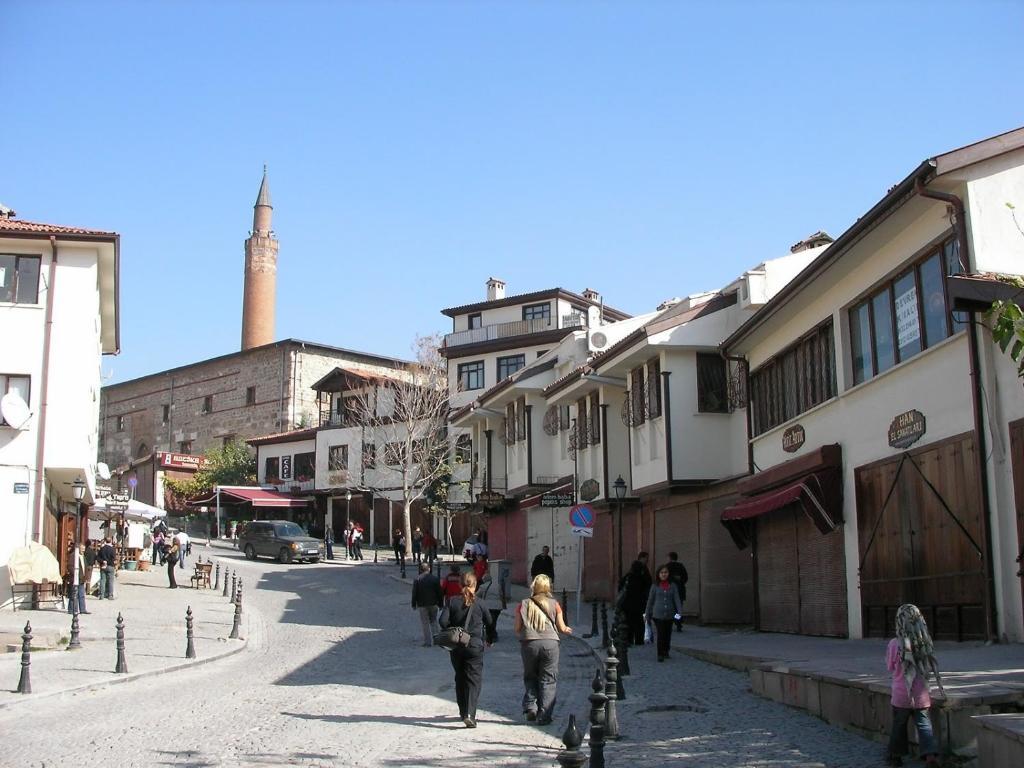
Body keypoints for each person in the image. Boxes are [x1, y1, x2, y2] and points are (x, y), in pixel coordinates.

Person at [886, 604, 944, 767]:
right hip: (921, 694)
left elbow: (890, 666)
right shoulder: (925, 643)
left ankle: (895, 756)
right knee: (924, 724)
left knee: (899, 724)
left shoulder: (894, 644)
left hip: (901, 694)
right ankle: (930, 755)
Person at [514, 574, 573, 725]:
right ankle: (544, 715)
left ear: (533, 586)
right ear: (548, 587)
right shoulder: (555, 604)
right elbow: (561, 627)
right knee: (548, 679)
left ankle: (530, 707)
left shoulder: (523, 604)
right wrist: (567, 629)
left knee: (530, 676)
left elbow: (517, 629)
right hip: (550, 644)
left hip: (529, 644)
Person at [439, 571, 495, 728]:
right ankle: (470, 714)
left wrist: (453, 629)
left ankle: (463, 711)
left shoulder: (452, 601)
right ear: (475, 585)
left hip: (457, 646)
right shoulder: (480, 603)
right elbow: (490, 622)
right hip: (475, 646)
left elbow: (442, 622)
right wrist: (490, 638)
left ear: (459, 585)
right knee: (474, 679)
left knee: (460, 677)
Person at [645, 565, 684, 662]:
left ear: (668, 574)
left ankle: (666, 651)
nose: (664, 574)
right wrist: (647, 613)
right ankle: (660, 654)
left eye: (665, 572)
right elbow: (650, 601)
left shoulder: (673, 585)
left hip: (670, 614)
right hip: (657, 614)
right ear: (658, 574)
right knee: (661, 633)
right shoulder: (655, 586)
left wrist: (679, 613)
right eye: (662, 573)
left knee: (668, 634)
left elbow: (677, 599)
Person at [619, 559, 651, 645]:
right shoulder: (642, 579)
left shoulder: (627, 577)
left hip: (627, 605)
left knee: (628, 623)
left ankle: (629, 640)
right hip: (639, 605)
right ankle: (639, 640)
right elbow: (648, 587)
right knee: (639, 623)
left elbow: (620, 588)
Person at [411, 562, 444, 646]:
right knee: (433, 621)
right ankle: (436, 639)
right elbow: (439, 593)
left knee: (425, 623)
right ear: (429, 569)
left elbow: (414, 593)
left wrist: (413, 604)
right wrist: (441, 604)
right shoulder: (435, 579)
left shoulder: (417, 579)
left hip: (422, 604)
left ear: (420, 570)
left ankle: (427, 642)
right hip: (433, 603)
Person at [665, 552, 688, 631]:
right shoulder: (681, 566)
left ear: (670, 558)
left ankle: (671, 622)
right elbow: (685, 578)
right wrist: (680, 581)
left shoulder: (667, 567)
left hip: (670, 590)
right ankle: (678, 622)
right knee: (678, 608)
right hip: (680, 590)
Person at [65, 541, 89, 614]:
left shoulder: (83, 556)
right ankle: (72, 609)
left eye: (84, 549)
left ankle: (83, 609)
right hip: (75, 578)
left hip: (81, 579)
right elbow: (69, 566)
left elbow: (85, 566)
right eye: (82, 549)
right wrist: (75, 574)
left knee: (81, 595)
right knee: (74, 594)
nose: (83, 551)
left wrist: (86, 576)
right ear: (78, 549)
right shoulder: (73, 556)